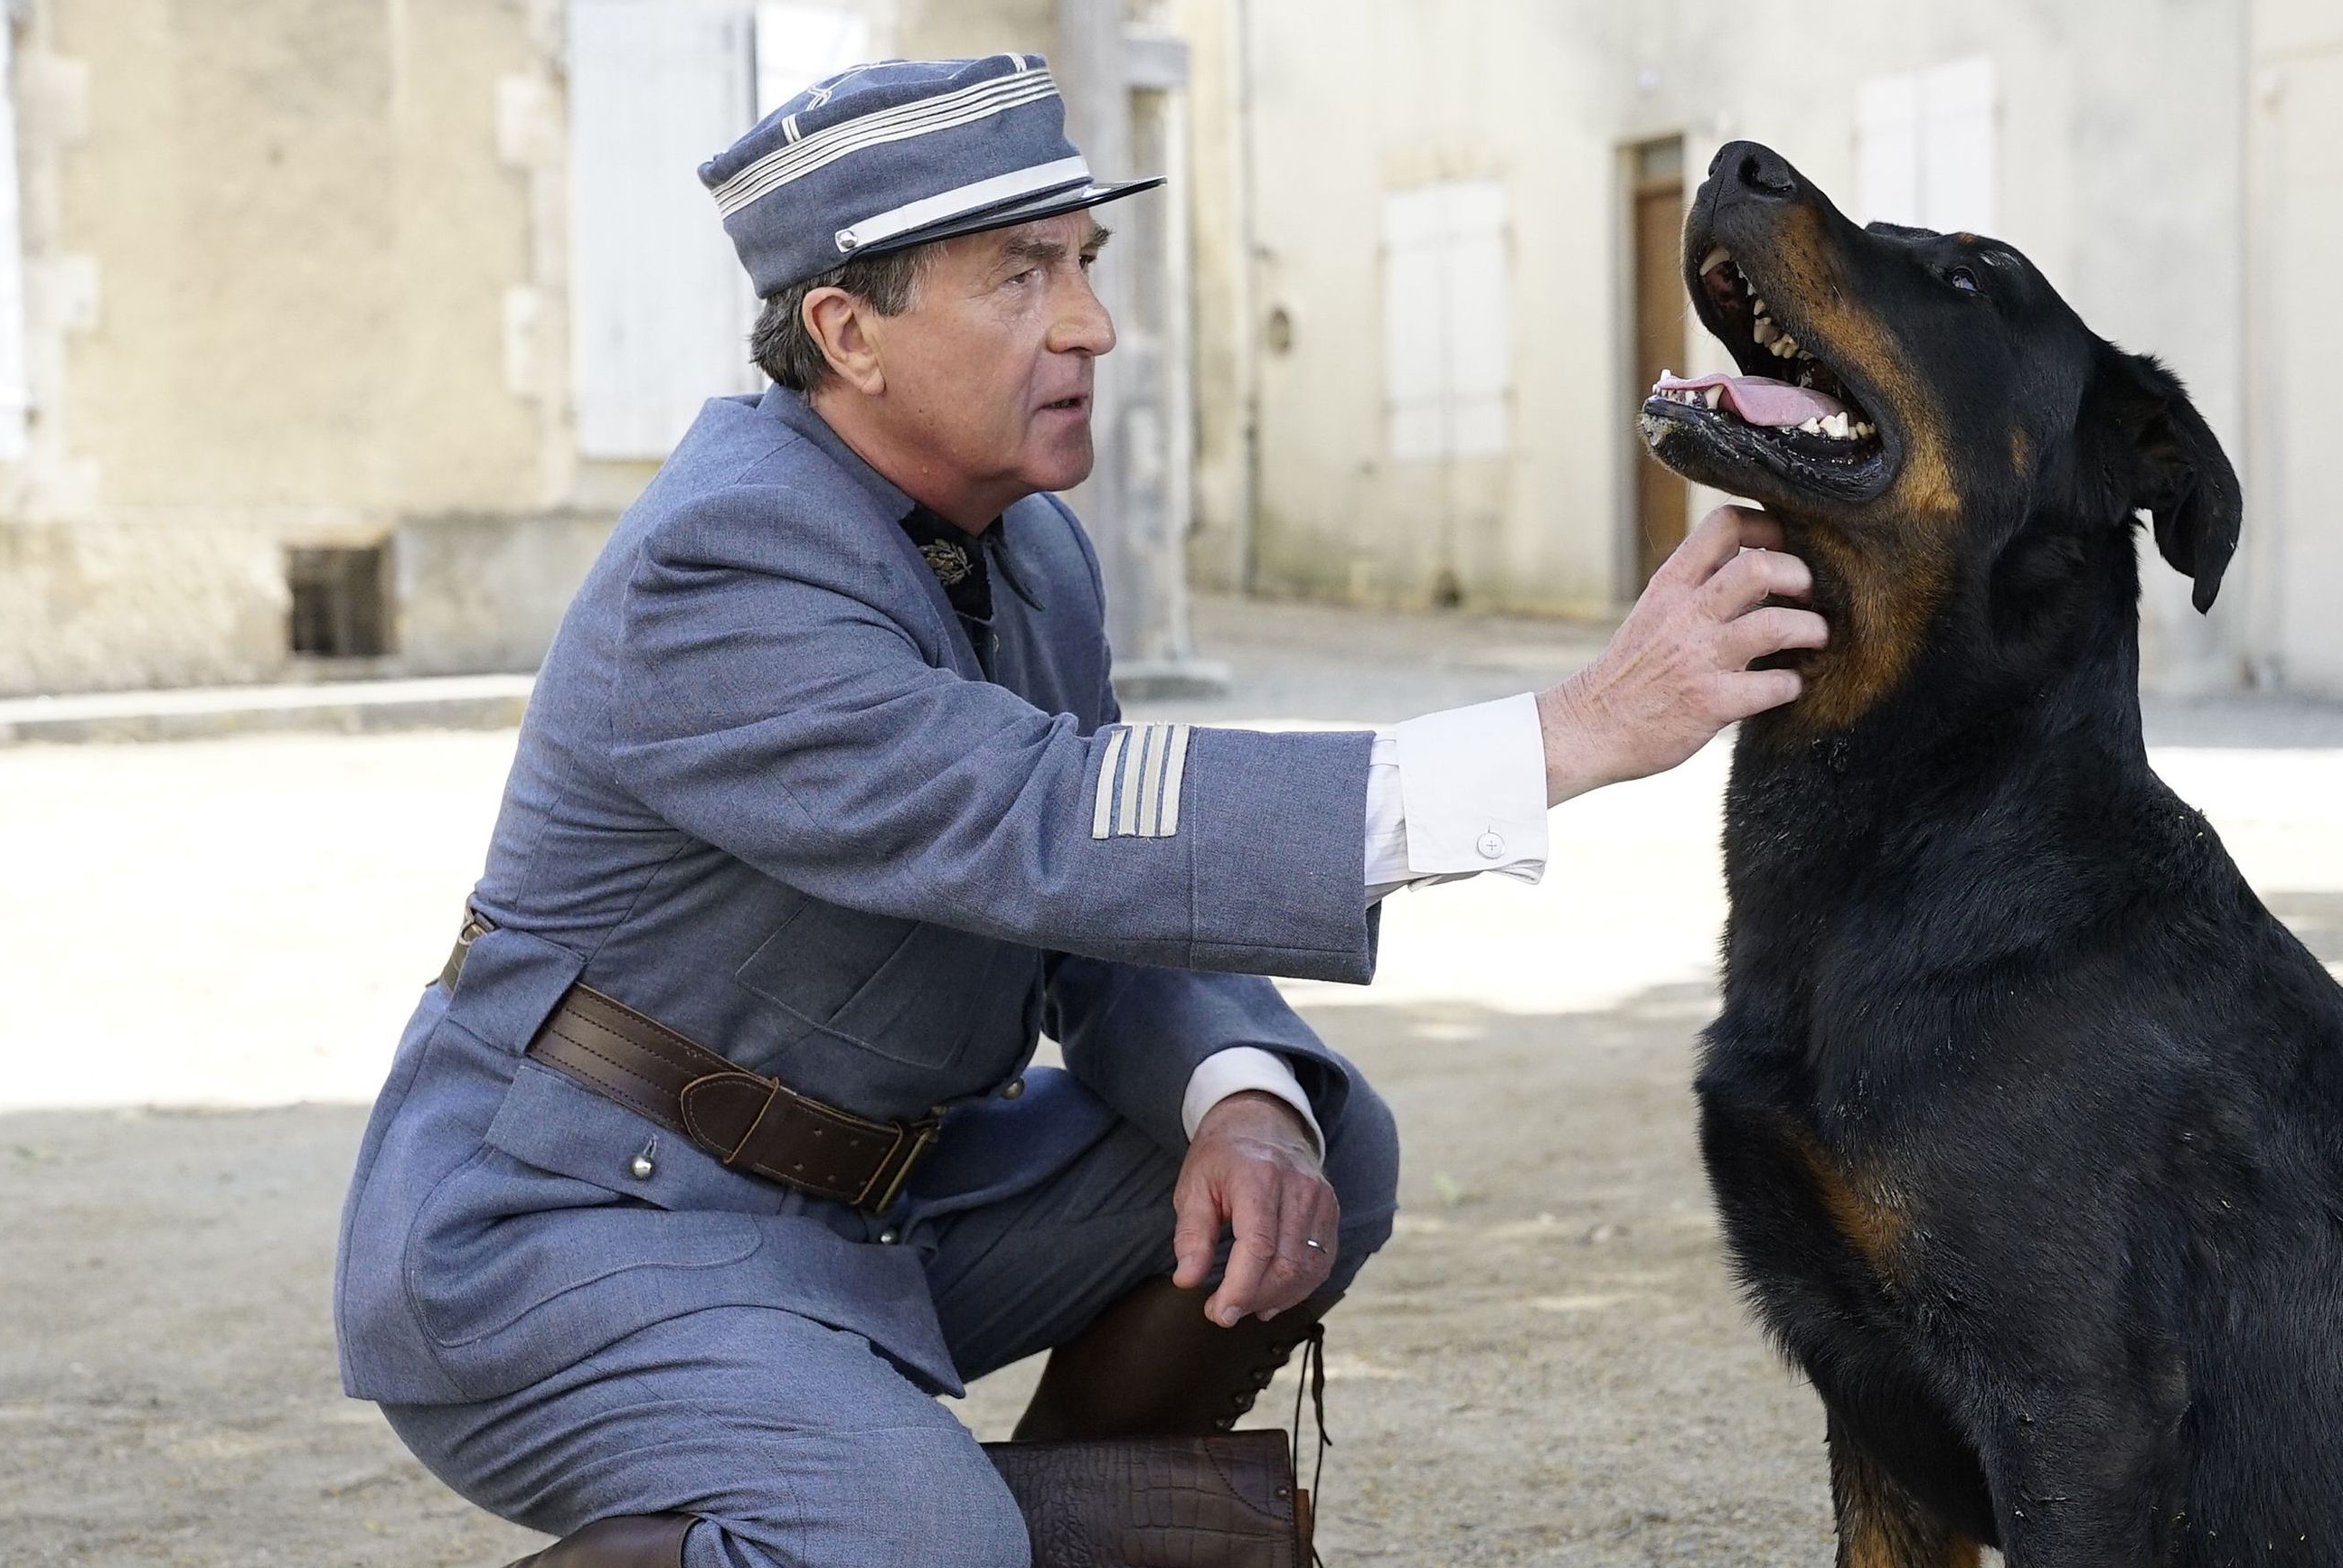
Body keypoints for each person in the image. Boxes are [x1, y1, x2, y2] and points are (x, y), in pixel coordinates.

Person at [331, 55, 1829, 1568]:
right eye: (1017, 274)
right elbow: (1041, 819)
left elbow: (1096, 911)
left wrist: (1236, 1098)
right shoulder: (724, 565)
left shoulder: (1026, 550)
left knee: (1311, 1143)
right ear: (845, 333)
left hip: (855, 1204)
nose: (1090, 325)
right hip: (571, 1233)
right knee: (916, 1547)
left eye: (1083, 262)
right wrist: (1561, 735)